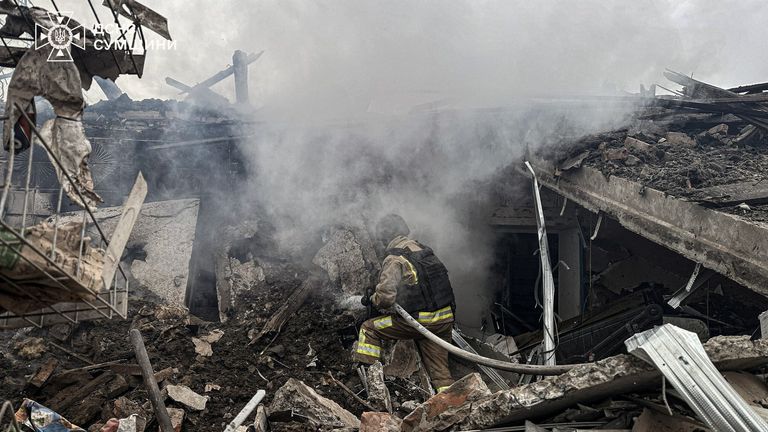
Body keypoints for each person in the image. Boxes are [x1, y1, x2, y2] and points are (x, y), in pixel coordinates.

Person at [354, 213, 456, 392]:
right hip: (444, 321)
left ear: (385, 236)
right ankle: (450, 406)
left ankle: (369, 383)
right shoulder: (425, 251)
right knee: (440, 373)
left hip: (418, 323)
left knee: (368, 329)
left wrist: (372, 299)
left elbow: (385, 298)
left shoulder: (395, 259)